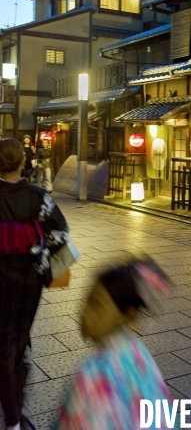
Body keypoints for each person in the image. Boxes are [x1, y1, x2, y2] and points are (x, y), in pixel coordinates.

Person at [55, 257, 176, 430]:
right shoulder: (139, 355)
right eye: (86, 301)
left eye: (96, 304)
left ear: (128, 315)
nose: (84, 312)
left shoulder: (93, 374)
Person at [0, 138, 69, 430]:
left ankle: (13, 411)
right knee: (19, 333)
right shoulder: (39, 197)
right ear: (23, 163)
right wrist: (46, 262)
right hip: (30, 278)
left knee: (5, 339)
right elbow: (60, 235)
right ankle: (15, 410)